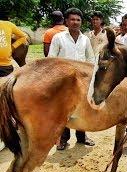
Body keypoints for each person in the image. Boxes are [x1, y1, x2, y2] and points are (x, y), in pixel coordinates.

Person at [48, 7, 95, 150]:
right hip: (63, 82)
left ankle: (82, 137)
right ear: (66, 21)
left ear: (81, 22)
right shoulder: (58, 38)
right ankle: (63, 139)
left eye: (78, 20)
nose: (75, 22)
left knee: (82, 110)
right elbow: (51, 59)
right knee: (63, 111)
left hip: (81, 82)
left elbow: (90, 59)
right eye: (72, 19)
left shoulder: (85, 39)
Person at [0, 12, 27, 77]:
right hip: (5, 65)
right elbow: (24, 37)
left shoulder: (9, 25)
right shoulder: (9, 24)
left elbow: (23, 37)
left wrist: (12, 47)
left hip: (5, 65)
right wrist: (12, 47)